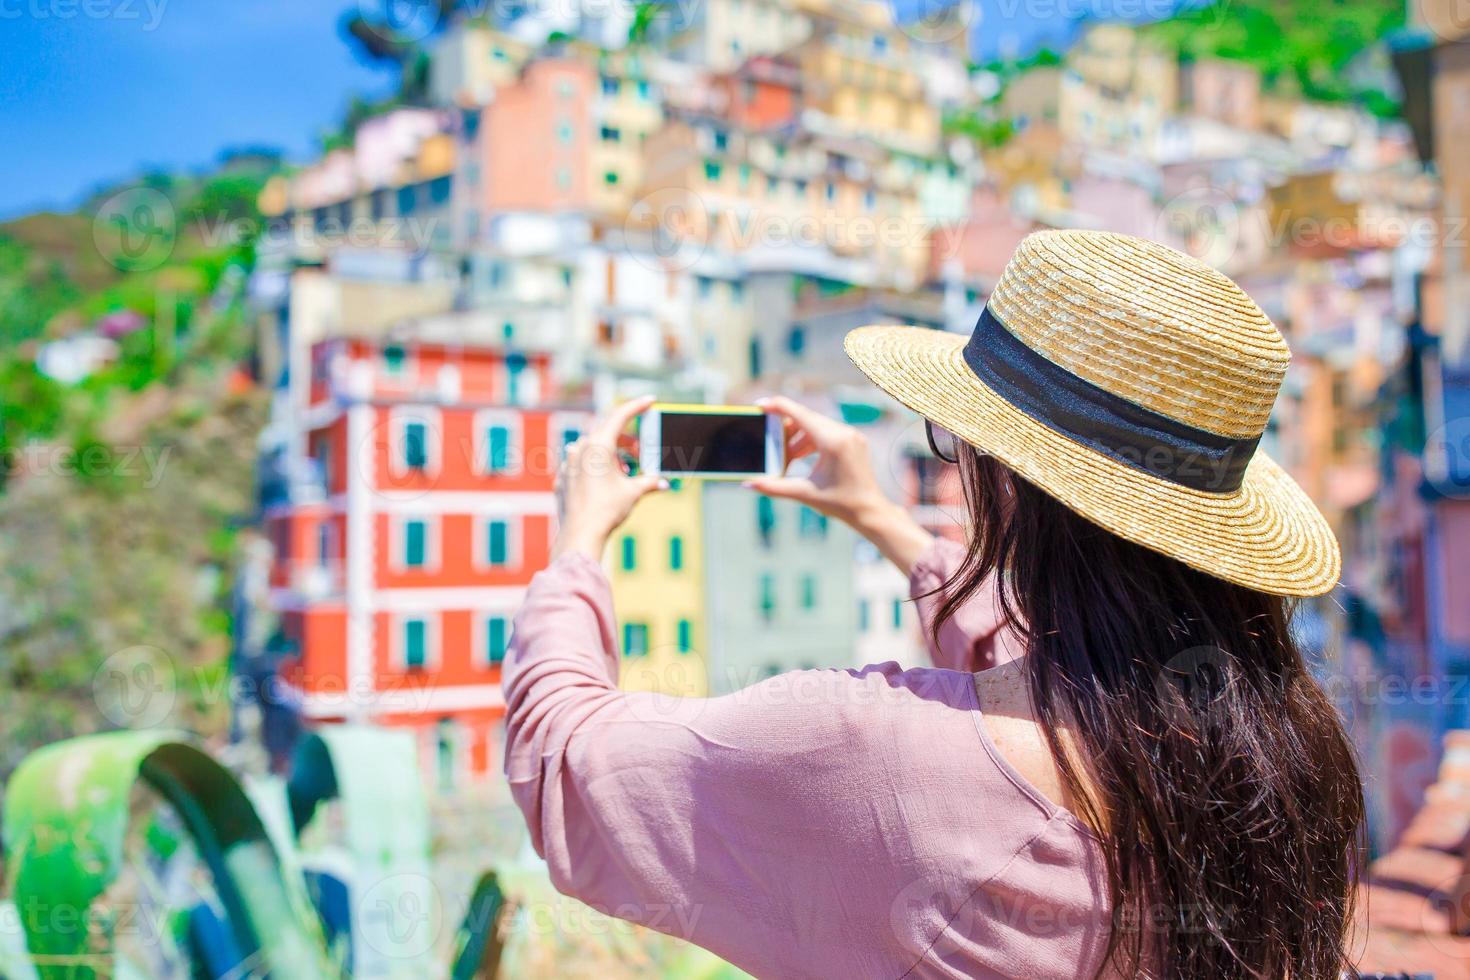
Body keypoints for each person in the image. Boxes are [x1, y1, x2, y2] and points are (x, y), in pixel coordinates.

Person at [503, 230, 1364, 979]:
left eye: (956, 444)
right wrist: (879, 516)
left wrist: (578, 544)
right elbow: (1057, 673)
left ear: (1012, 484)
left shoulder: (863, 747)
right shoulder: (1290, 757)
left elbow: (569, 769)